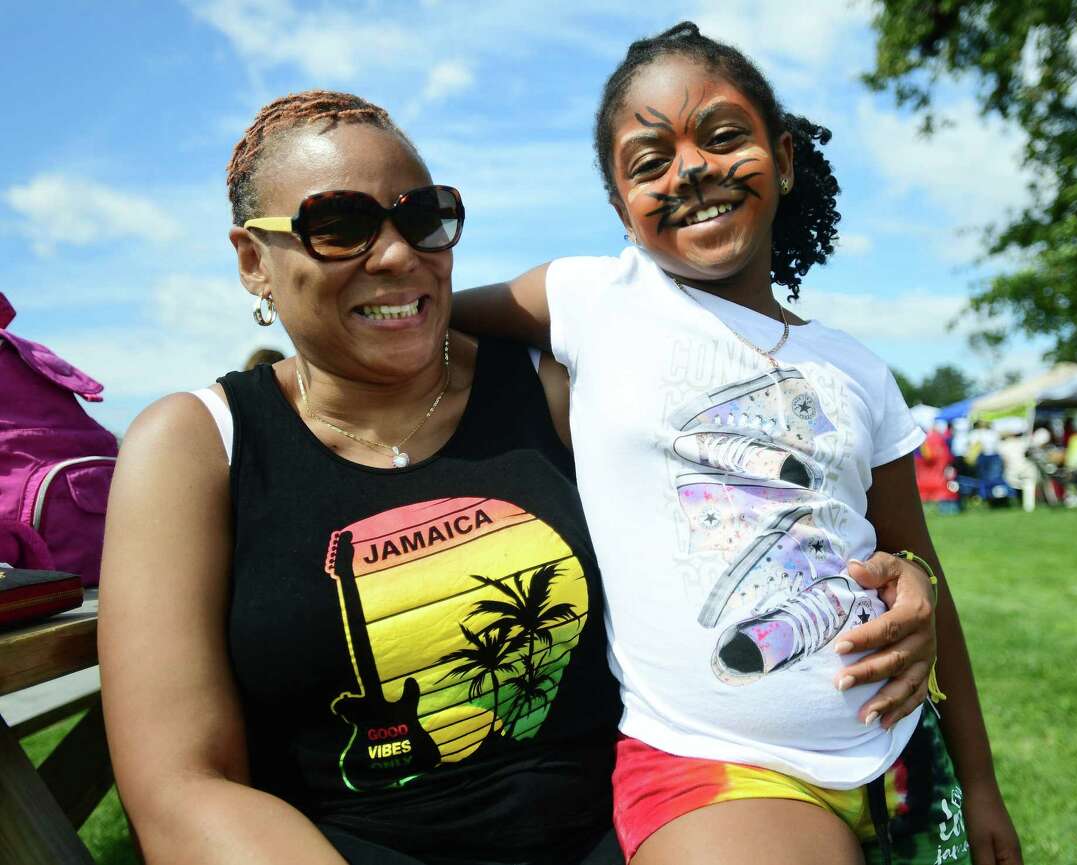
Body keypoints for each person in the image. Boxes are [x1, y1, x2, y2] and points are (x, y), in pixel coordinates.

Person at [97, 90, 938, 865]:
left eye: (422, 217)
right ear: (253, 260)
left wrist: (893, 584)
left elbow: (756, 519)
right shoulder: (197, 444)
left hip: (624, 834)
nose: (396, 254)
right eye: (340, 225)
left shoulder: (550, 390)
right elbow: (181, 786)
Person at [454, 23, 1021, 865]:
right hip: (712, 767)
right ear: (620, 210)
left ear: (783, 158)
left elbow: (920, 570)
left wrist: (980, 783)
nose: (689, 169)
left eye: (723, 138)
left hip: (903, 757)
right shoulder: (593, 298)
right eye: (649, 161)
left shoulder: (859, 369)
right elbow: (417, 321)